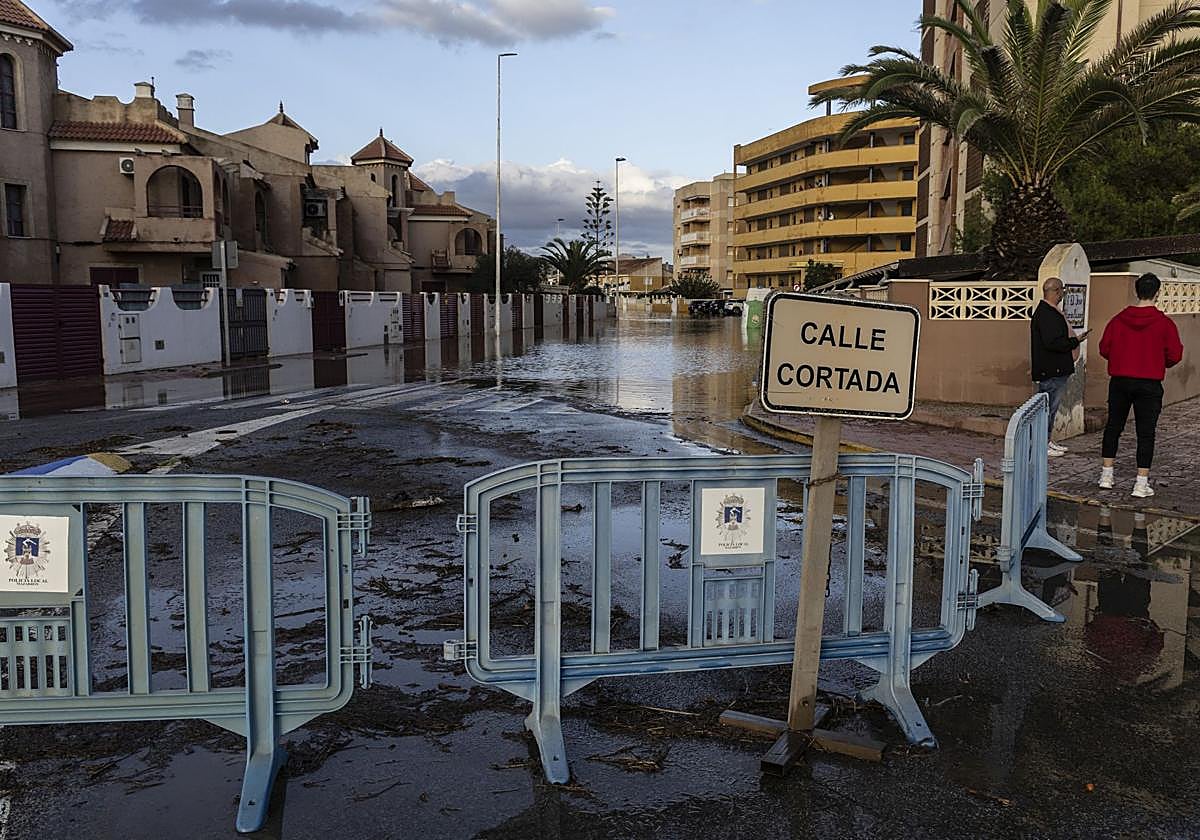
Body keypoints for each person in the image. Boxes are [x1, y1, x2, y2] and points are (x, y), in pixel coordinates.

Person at [1098, 273, 1184, 498]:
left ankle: (1106, 475)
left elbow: (1104, 348)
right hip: (1149, 383)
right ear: (1157, 293)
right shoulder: (1165, 323)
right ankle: (1141, 482)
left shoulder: (1117, 320)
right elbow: (1174, 354)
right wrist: (1157, 360)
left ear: (1136, 292)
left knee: (1113, 427)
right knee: (1146, 433)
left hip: (1120, 381)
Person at [1030, 277, 1089, 457]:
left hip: (1057, 369)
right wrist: (1074, 341)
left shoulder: (1052, 312)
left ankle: (1048, 440)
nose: (1063, 293)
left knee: (1052, 409)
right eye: (1062, 290)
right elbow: (1052, 343)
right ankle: (1041, 443)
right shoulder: (1046, 314)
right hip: (1051, 370)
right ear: (1055, 291)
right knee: (1047, 408)